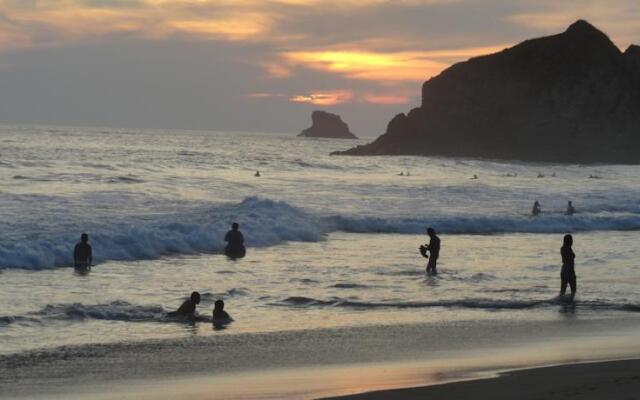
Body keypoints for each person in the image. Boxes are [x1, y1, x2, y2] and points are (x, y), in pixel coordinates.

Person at [560, 234, 577, 301]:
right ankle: (568, 301)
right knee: (573, 289)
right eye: (571, 240)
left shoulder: (564, 248)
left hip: (565, 270)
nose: (572, 241)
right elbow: (570, 257)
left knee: (563, 290)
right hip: (568, 270)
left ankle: (564, 301)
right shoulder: (566, 248)